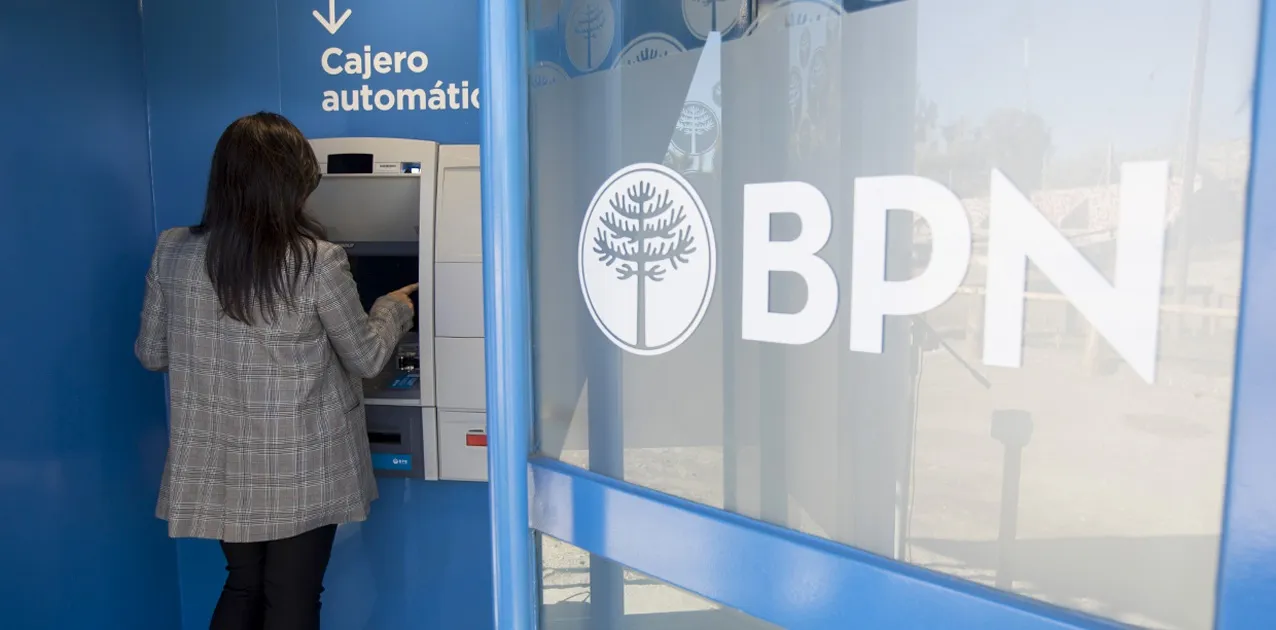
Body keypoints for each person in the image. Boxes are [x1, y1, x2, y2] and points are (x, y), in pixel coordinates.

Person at [134, 112, 417, 630]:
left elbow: (152, 353)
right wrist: (393, 309)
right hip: (302, 465)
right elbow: (367, 357)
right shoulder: (315, 261)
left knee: (244, 584)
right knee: (292, 596)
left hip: (223, 461)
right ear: (288, 185)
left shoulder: (173, 250)